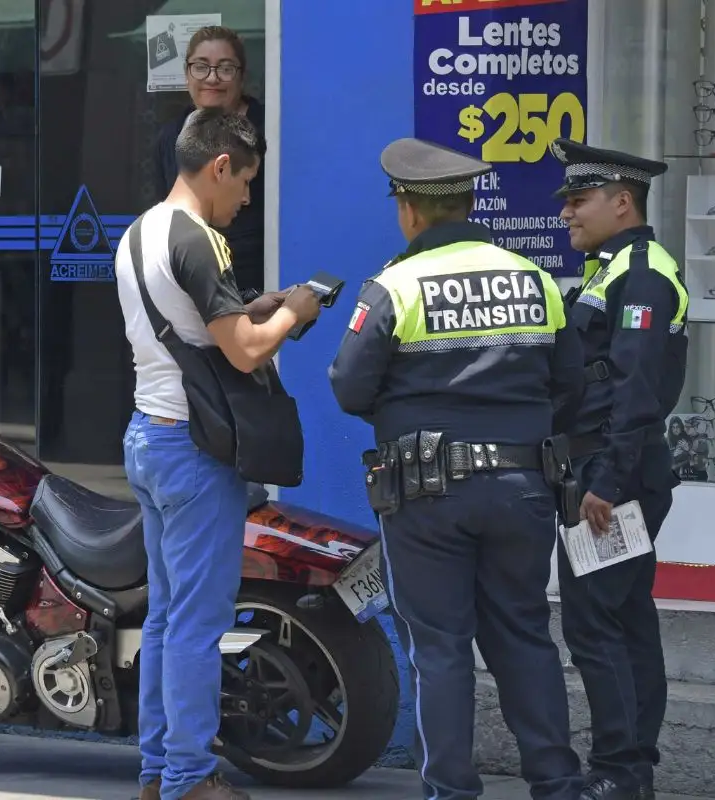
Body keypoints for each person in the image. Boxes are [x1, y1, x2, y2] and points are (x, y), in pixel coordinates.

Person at [328, 137, 588, 800]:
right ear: (469, 204)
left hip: (427, 495)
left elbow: (350, 388)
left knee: (439, 649)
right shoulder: (532, 278)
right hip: (523, 486)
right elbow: (568, 385)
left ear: (409, 208)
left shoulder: (395, 284)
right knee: (526, 635)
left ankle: (451, 792)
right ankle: (558, 785)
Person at [116, 107, 321, 800]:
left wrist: (254, 306)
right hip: (194, 450)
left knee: (167, 619)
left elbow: (193, 329)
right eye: (245, 184)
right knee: (199, 625)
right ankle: (189, 778)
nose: (246, 200)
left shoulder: (138, 232)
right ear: (220, 166)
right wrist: (295, 312)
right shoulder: (198, 240)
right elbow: (243, 350)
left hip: (149, 436)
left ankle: (157, 770)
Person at [548, 138, 690, 800]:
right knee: (624, 615)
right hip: (608, 470)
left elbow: (636, 387)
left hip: (614, 477)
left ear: (622, 201)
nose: (568, 215)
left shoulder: (642, 276)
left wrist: (605, 481)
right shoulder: (615, 267)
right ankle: (630, 769)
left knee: (596, 621)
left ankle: (617, 772)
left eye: (579, 201)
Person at [152, 25, 266, 295]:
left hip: (257, 279)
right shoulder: (169, 138)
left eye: (225, 68)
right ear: (186, 73)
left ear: (242, 77)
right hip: (190, 282)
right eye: (201, 67)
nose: (212, 78)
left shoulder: (269, 128)